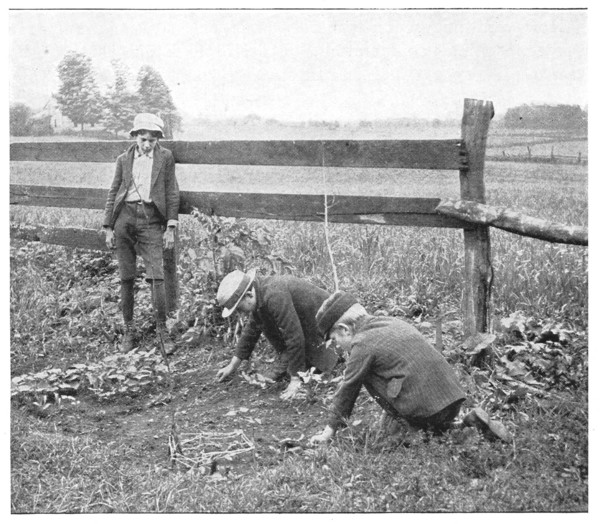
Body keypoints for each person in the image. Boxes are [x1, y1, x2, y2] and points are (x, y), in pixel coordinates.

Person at [310, 291, 471, 445]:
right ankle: (461, 428)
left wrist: (329, 431)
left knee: (363, 375)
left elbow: (348, 388)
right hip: (452, 399)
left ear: (344, 329)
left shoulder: (362, 343)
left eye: (334, 339)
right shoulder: (391, 322)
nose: (337, 345)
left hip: (427, 410)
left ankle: (413, 431)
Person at [103, 113, 180, 355]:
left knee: (157, 276)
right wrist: (108, 226)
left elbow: (171, 192)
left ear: (158, 139)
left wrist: (170, 226)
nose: (147, 145)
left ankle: (162, 331)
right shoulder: (123, 159)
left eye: (152, 140)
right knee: (126, 276)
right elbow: (114, 190)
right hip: (124, 219)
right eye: (143, 139)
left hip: (151, 220)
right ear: (135, 136)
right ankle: (129, 330)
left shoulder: (165, 158)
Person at [215, 269, 338, 400]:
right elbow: (251, 331)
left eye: (239, 308)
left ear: (249, 295)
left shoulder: (274, 294)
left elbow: (294, 336)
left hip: (328, 325)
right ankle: (293, 361)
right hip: (307, 325)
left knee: (323, 366)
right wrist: (232, 365)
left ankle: (306, 365)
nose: (241, 313)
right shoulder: (260, 293)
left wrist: (296, 379)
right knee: (262, 321)